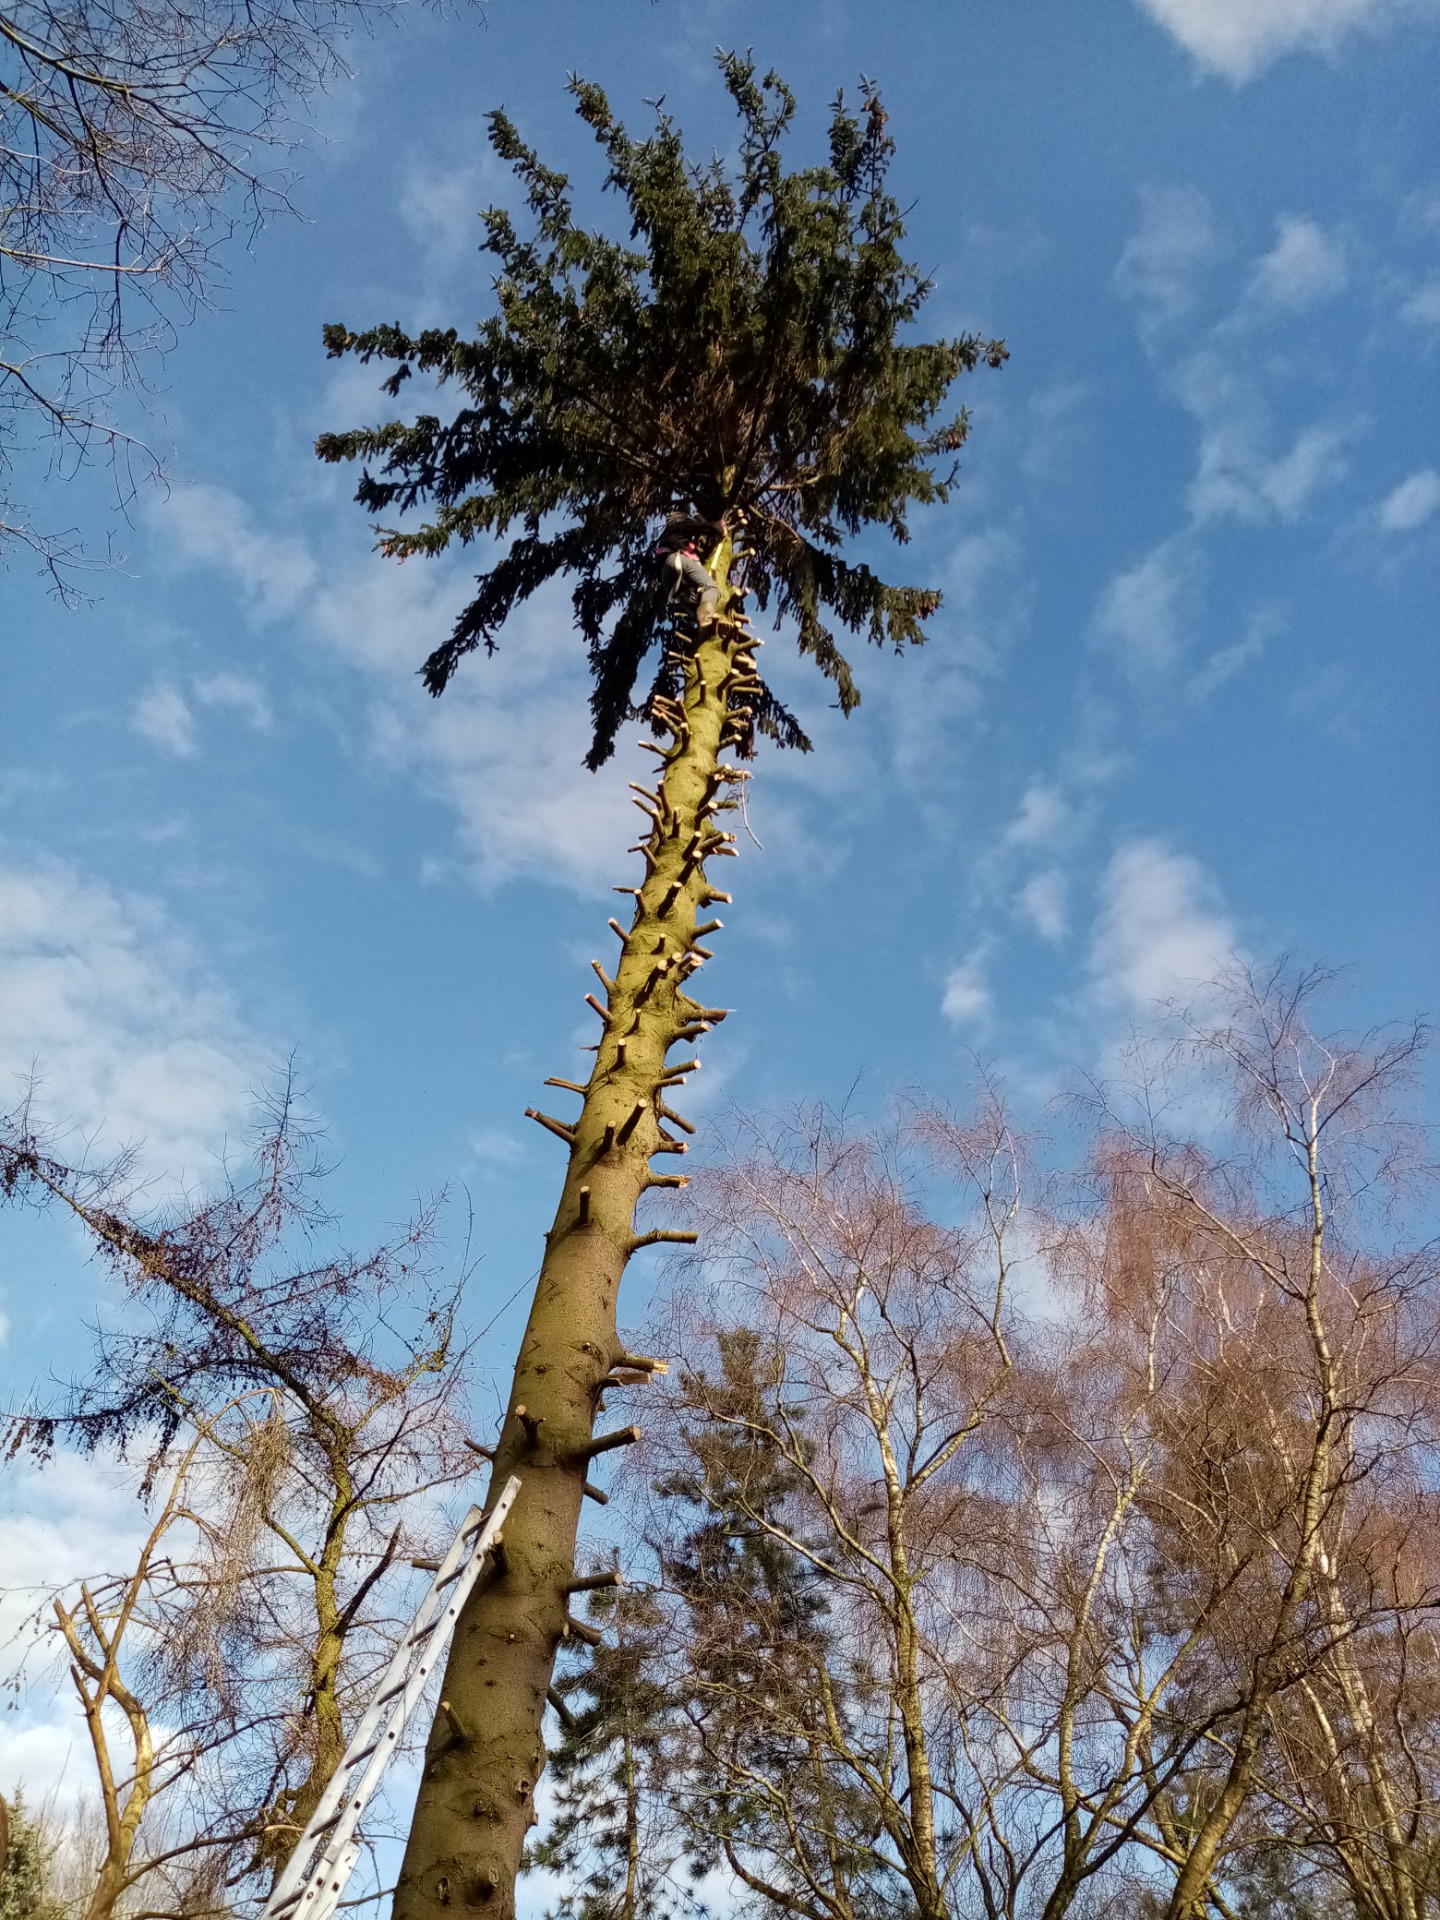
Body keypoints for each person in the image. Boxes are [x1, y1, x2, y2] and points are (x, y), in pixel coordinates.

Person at [656, 512, 722, 629]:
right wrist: (719, 528)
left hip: (667, 579)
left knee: (697, 605)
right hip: (677, 560)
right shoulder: (680, 525)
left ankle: (707, 628)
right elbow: (701, 527)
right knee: (710, 587)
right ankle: (706, 620)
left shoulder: (666, 537)